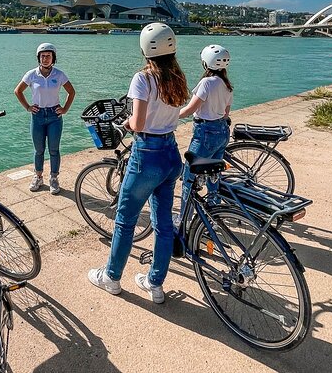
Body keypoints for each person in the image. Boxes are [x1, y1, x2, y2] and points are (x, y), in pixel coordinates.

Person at [88, 23, 189, 304]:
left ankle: (112, 277)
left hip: (147, 154)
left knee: (125, 220)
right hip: (171, 153)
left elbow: (139, 122)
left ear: (145, 49)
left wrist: (127, 123)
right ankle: (155, 284)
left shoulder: (143, 79)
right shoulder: (177, 78)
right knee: (163, 223)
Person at [178, 44, 233, 212]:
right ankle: (215, 213)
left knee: (189, 175)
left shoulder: (206, 83)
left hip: (205, 133)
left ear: (206, 63)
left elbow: (190, 109)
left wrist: (170, 117)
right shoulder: (227, 85)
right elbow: (225, 113)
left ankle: (183, 219)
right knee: (214, 174)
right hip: (222, 131)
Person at [14, 43, 75, 195]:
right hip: (38, 116)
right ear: (38, 58)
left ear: (53, 58)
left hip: (55, 116)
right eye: (42, 56)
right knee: (39, 150)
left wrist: (65, 109)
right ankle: (38, 176)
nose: (45, 58)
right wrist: (28, 107)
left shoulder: (59, 75)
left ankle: (54, 178)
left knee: (54, 150)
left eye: (48, 56)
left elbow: (71, 92)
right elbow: (18, 91)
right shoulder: (32, 75)